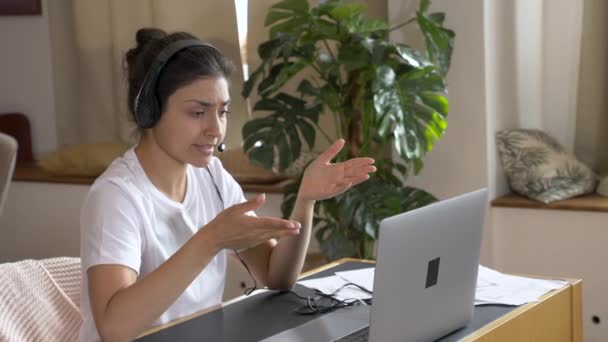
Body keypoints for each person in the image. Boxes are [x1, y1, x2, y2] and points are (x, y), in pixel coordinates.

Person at [79, 28, 376, 342]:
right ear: (149, 111)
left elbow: (276, 276)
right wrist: (210, 241)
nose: (216, 130)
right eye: (198, 112)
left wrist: (305, 200)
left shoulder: (212, 176)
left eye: (222, 112)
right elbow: (114, 328)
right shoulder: (116, 196)